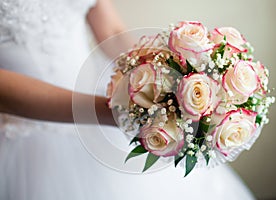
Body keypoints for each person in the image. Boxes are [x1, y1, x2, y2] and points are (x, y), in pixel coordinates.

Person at [0, 0, 255, 199]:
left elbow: (111, 29)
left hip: (101, 97)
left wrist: (166, 76)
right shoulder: (107, 111)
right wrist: (113, 112)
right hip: (26, 128)